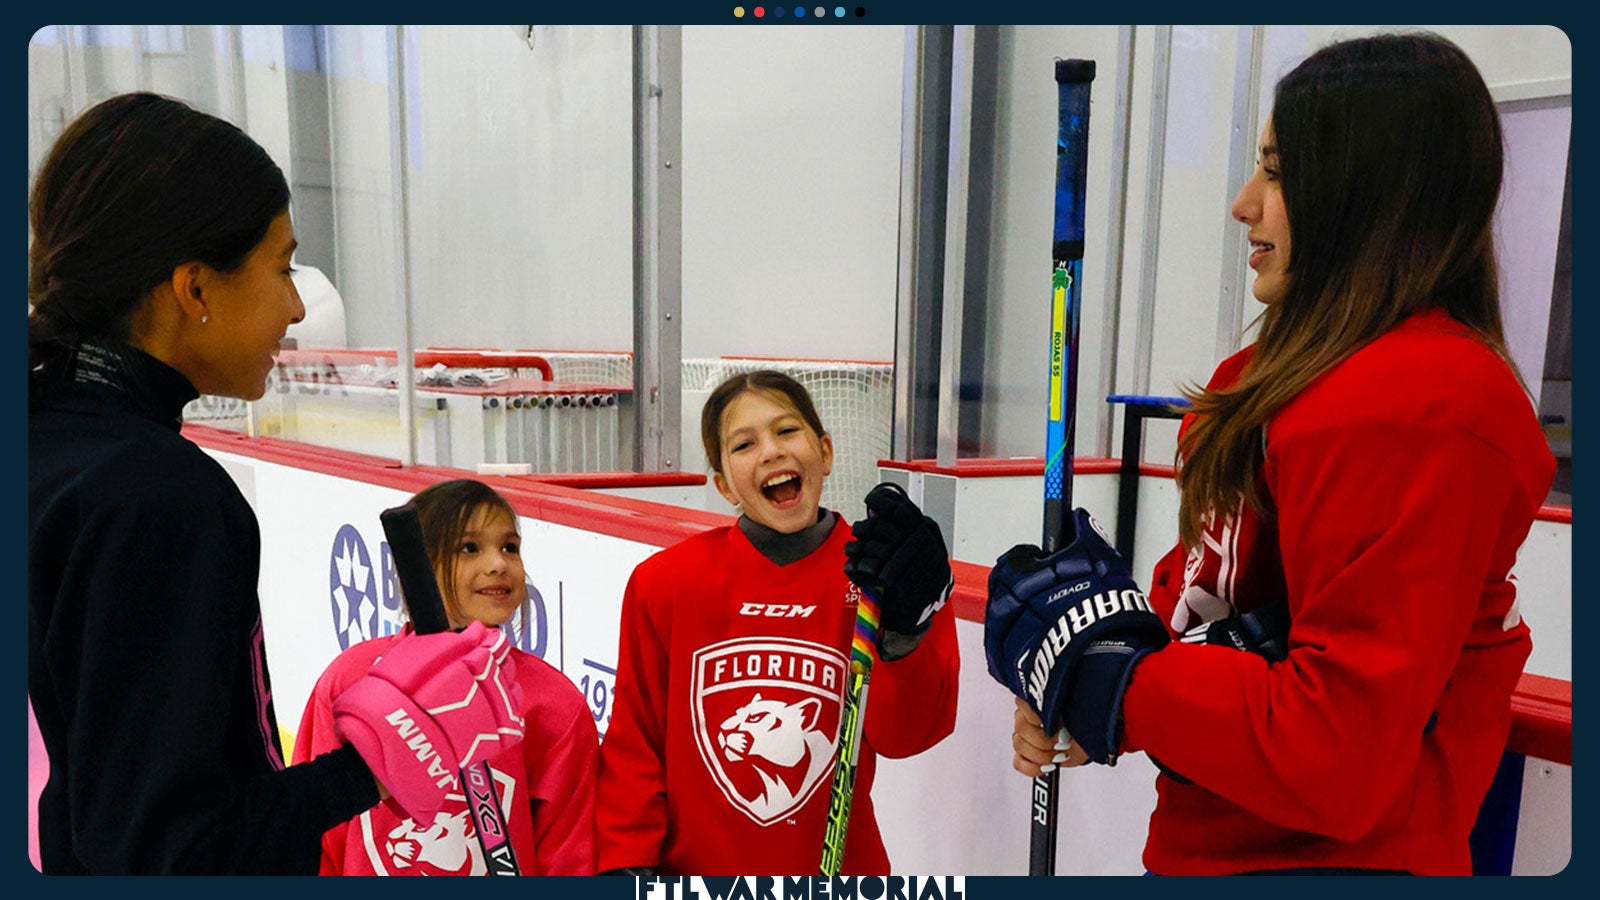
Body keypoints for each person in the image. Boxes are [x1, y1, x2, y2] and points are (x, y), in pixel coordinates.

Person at [983, 32, 1556, 876]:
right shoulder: (1261, 379)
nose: (1244, 202)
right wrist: (1089, 659)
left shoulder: (1421, 400)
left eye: (1279, 172)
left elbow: (1338, 756)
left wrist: (1123, 690)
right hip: (1204, 849)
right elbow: (1209, 621)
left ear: (1371, 191)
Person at [28, 92, 522, 874]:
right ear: (194, 288)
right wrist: (370, 762)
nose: (295, 305)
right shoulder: (155, 495)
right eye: (282, 267)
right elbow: (171, 857)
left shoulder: (51, 441)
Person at [597, 370, 960, 874]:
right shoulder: (667, 582)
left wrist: (906, 631)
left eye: (787, 431)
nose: (770, 451)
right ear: (724, 485)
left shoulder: (881, 578)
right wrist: (625, 863)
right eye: (744, 444)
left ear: (826, 452)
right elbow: (635, 745)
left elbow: (908, 736)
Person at [293, 478, 599, 875]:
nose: (498, 564)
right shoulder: (349, 679)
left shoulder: (554, 704)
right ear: (421, 562)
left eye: (510, 547)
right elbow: (312, 832)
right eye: (469, 548)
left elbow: (568, 856)